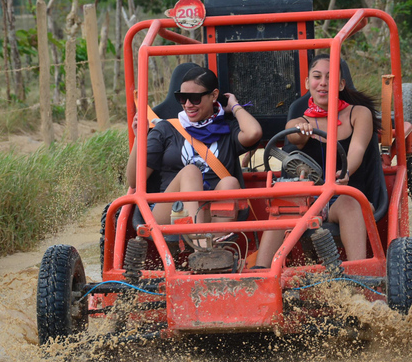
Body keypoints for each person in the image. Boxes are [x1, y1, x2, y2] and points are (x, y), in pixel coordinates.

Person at [253, 54, 381, 268]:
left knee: (350, 202)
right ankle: (260, 275)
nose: (323, 83)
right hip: (308, 201)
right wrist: (301, 132)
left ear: (341, 84)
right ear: (307, 83)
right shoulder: (299, 120)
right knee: (283, 203)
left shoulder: (359, 114)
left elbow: (357, 149)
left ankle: (359, 275)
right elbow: (293, 137)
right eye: (317, 76)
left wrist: (345, 172)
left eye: (330, 78)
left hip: (344, 194)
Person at [127, 65, 262, 225]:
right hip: (171, 211)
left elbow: (253, 133)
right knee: (191, 172)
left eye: (195, 98)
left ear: (214, 95)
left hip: (212, 212)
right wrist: (140, 137)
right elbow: (134, 181)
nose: (188, 104)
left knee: (230, 182)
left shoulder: (226, 129)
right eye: (182, 98)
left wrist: (234, 106)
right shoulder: (166, 128)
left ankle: (216, 245)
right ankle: (201, 243)